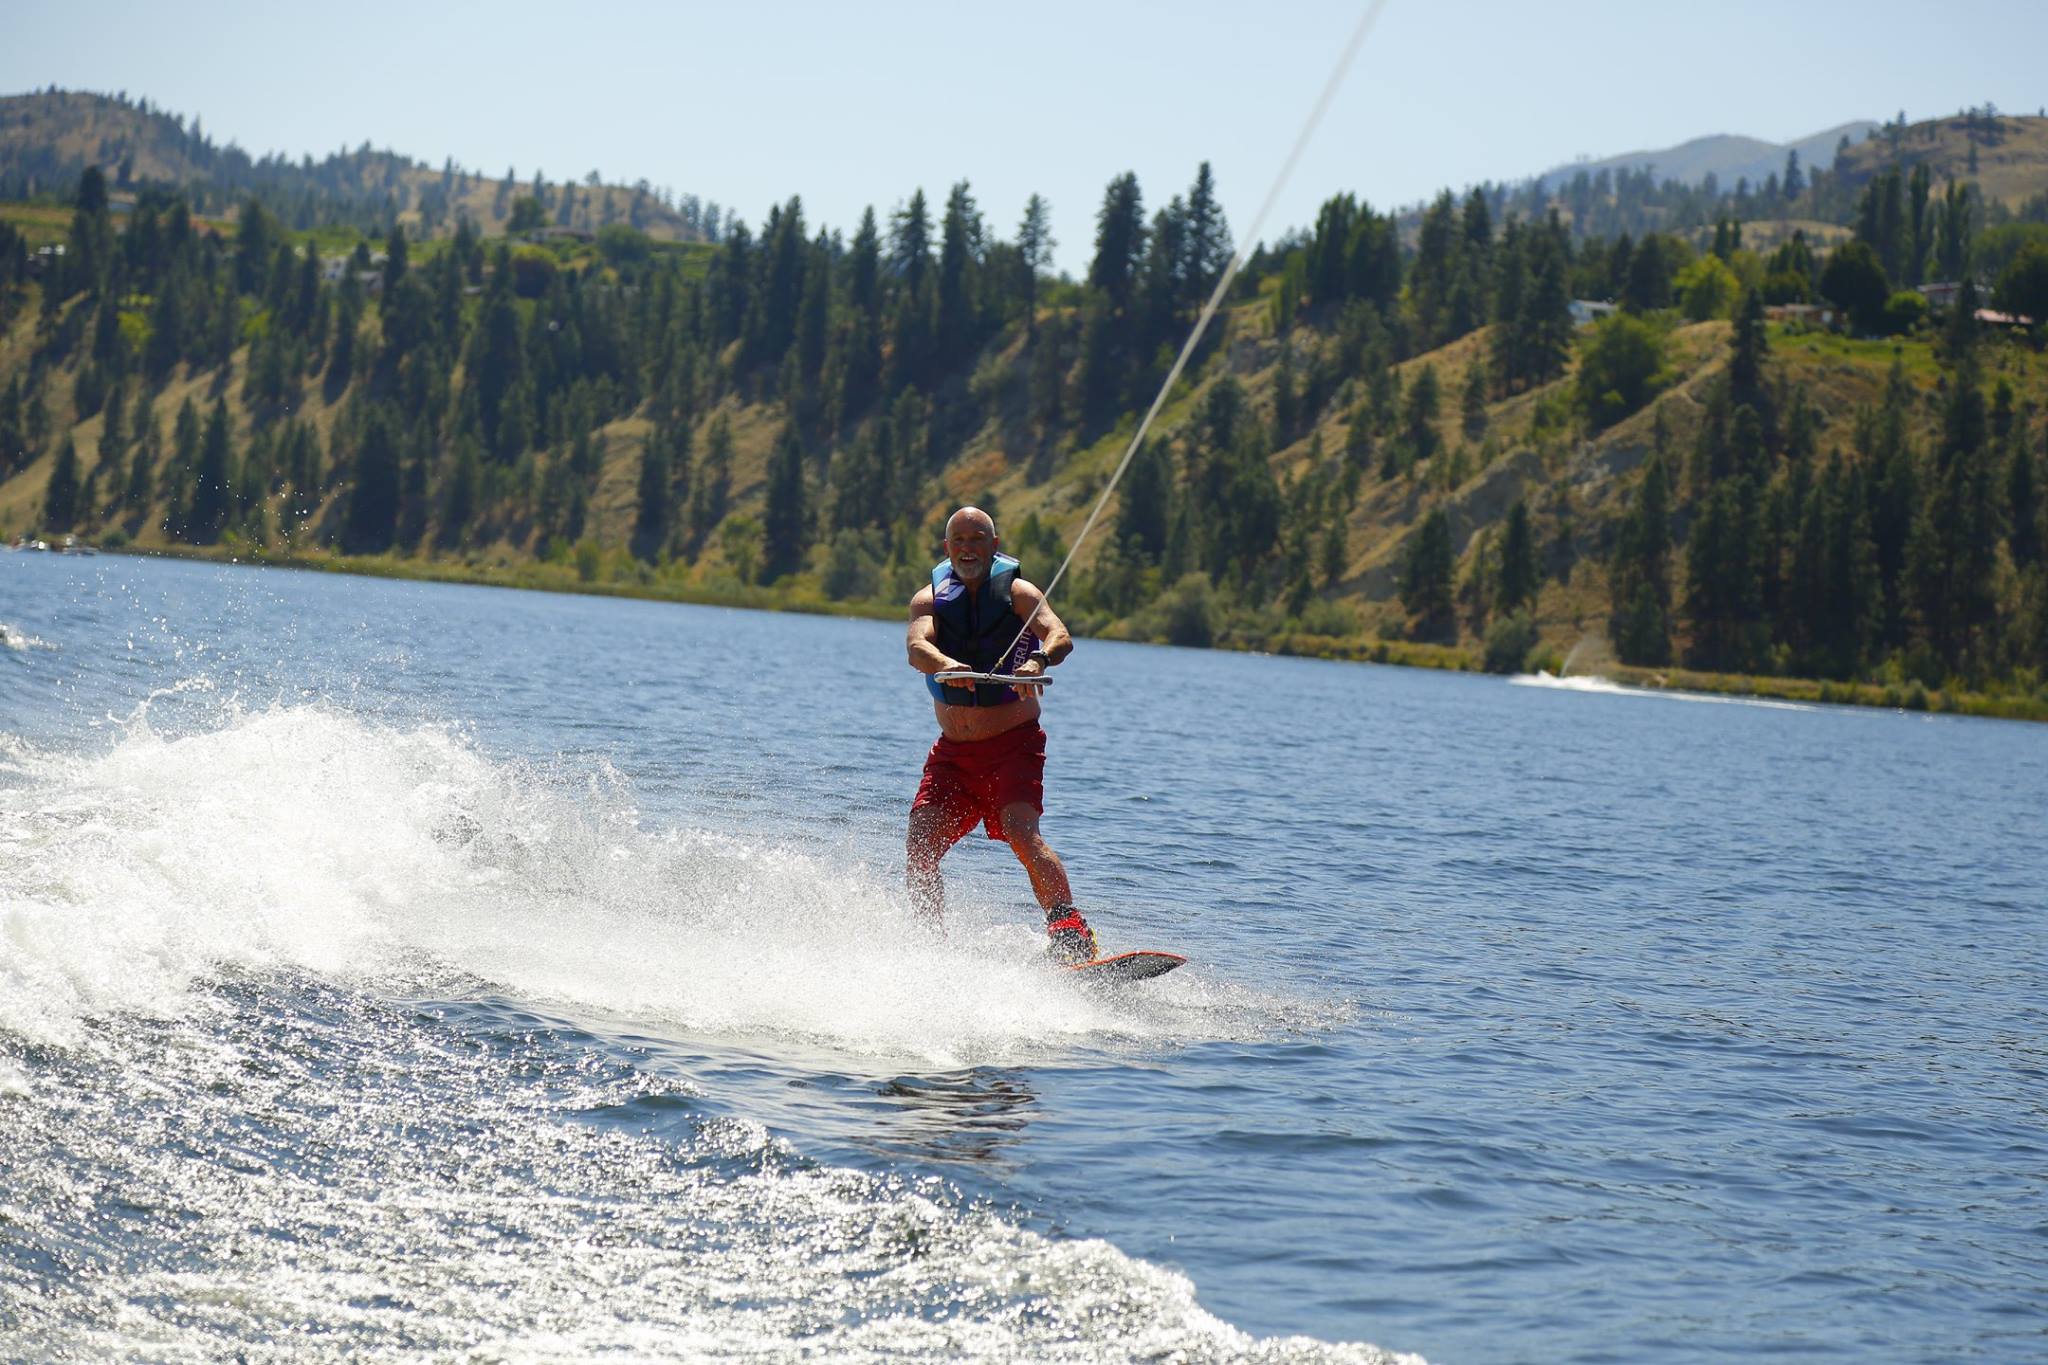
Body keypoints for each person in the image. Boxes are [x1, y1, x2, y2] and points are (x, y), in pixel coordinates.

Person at [905, 506, 1097, 964]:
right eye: (959, 541)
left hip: (1013, 745)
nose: (968, 548)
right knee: (920, 842)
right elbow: (917, 647)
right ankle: (929, 949)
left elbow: (1059, 634)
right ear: (946, 548)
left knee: (1020, 831)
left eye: (978, 539)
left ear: (994, 546)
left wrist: (1039, 661)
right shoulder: (928, 600)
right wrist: (945, 665)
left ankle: (1070, 935)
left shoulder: (1019, 593)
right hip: (953, 754)